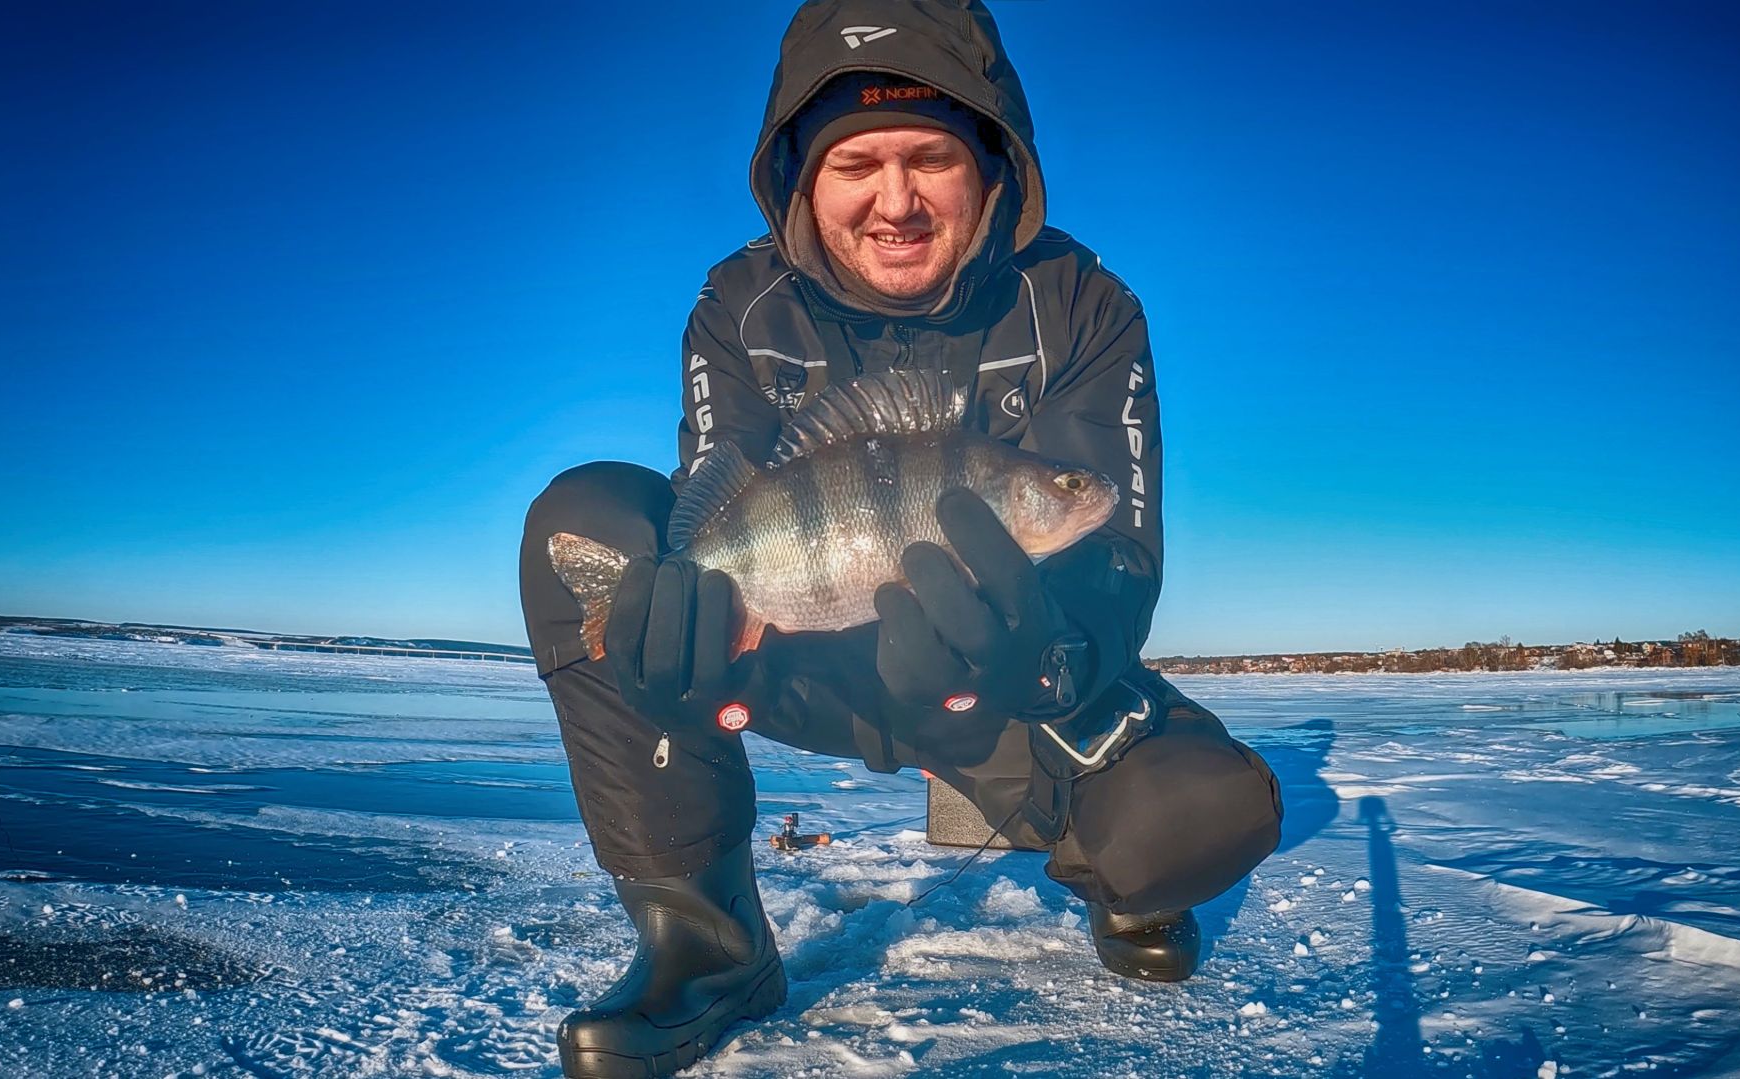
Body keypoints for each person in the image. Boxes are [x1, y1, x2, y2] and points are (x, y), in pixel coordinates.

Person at [518, 2, 1284, 1076]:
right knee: (588, 518)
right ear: (801, 177)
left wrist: (1045, 653)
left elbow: (1113, 551)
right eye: (855, 163)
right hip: (804, 661)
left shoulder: (1080, 302)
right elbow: (713, 489)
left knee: (1199, 815)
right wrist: (680, 630)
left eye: (930, 157)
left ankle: (1121, 879)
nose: (895, 200)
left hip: (1014, 694)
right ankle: (706, 947)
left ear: (992, 165)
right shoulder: (739, 303)